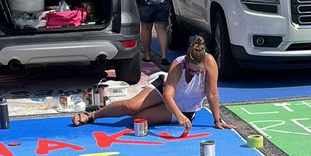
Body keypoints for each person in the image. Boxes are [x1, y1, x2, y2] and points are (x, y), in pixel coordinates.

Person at [72, 35, 231, 133]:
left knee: (138, 119)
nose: (194, 73)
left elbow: (212, 93)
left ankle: (150, 108)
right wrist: (178, 116)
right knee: (131, 106)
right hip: (165, 92)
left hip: (184, 107)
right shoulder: (178, 64)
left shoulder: (209, 62)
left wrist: (217, 120)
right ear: (186, 62)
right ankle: (92, 115)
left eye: (198, 71)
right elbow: (168, 95)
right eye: (191, 70)